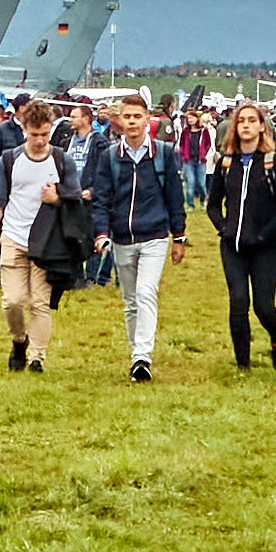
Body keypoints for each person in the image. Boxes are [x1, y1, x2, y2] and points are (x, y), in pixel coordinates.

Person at [78, 92, 189, 382]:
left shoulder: (163, 154)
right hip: (121, 238)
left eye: (137, 117)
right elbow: (102, 198)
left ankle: (142, 356)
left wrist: (179, 236)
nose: (132, 122)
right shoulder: (110, 157)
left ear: (147, 119)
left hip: (155, 236)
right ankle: (136, 353)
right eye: (127, 116)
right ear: (119, 120)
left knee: (145, 292)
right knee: (130, 300)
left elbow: (174, 197)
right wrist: (101, 233)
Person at [0, 98, 77, 375]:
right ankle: (19, 340)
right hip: (13, 236)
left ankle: (37, 358)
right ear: (24, 129)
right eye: (34, 134)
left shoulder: (62, 160)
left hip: (47, 241)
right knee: (12, 300)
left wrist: (57, 198)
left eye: (44, 134)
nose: (39, 140)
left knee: (39, 302)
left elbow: (76, 200)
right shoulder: (10, 159)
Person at [198, 101, 276, 370]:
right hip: (233, 245)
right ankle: (243, 364)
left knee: (264, 306)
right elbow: (213, 205)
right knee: (238, 300)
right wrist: (224, 228)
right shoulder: (226, 163)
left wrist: (267, 234)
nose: (246, 125)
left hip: (265, 246)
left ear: (262, 126)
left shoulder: (274, 164)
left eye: (252, 120)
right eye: (241, 121)